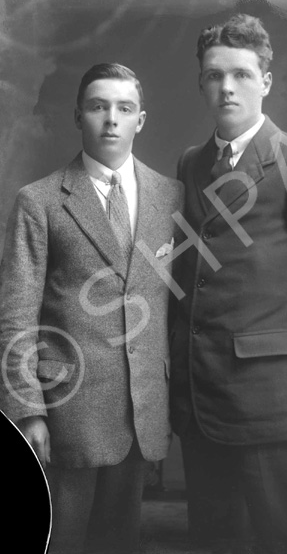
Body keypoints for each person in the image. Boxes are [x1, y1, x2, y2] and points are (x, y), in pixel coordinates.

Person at [169, 14, 287, 554]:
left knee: (282, 541)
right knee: (213, 540)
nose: (227, 87)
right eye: (215, 75)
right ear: (201, 82)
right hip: (200, 398)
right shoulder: (192, 163)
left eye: (242, 74)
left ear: (266, 80)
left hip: (271, 396)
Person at [0, 62, 183, 554]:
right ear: (78, 114)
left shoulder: (171, 195)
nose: (111, 119)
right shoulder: (38, 201)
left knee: (119, 543)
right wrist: (26, 411)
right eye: (99, 107)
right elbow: (15, 314)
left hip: (141, 408)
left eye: (124, 108)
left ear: (140, 120)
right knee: (60, 541)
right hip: (67, 409)